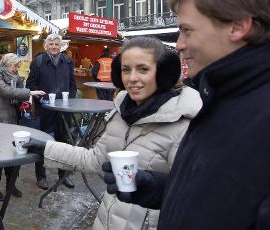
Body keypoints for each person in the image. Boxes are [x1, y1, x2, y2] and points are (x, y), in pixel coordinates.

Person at [103, 0, 270, 229]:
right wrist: (159, 188)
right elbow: (221, 197)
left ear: (238, 26)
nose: (179, 44)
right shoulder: (220, 95)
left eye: (187, 30)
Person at [24, 36, 201, 229]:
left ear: (163, 73)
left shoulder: (186, 124)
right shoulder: (121, 112)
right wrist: (46, 148)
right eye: (126, 69)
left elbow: (197, 200)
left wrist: (160, 191)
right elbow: (95, 159)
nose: (132, 78)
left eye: (143, 69)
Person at [0, 53, 45, 201]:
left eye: (18, 66)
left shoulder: (15, 77)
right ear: (7, 63)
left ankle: (10, 185)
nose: (16, 69)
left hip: (13, 117)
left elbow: (15, 95)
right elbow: (5, 91)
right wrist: (29, 93)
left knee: (12, 152)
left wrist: (25, 103)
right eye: (15, 66)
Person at [25, 34, 77, 190]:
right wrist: (40, 99)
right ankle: (41, 177)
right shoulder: (39, 62)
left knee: (64, 143)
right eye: (51, 44)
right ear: (45, 46)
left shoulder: (67, 61)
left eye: (57, 44)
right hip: (45, 109)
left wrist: (70, 100)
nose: (54, 46)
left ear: (61, 46)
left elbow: (72, 84)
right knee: (42, 143)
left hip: (63, 110)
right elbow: (30, 84)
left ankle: (64, 176)